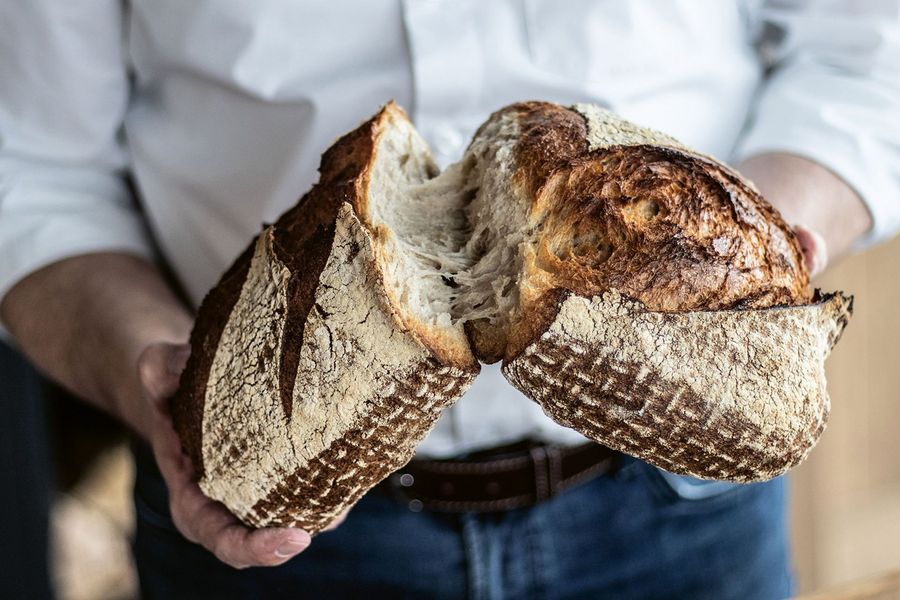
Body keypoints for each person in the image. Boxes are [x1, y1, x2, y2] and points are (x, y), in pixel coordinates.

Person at [1, 1, 897, 598]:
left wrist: (769, 235)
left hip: (676, 515)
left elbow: (868, 53)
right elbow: (32, 173)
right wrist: (153, 378)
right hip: (275, 533)